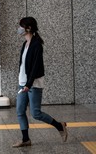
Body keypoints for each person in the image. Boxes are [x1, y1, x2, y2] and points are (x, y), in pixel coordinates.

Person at [12, 17, 68, 148]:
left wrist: (28, 84)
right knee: (20, 111)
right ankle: (25, 139)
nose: (19, 29)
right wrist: (23, 82)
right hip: (23, 82)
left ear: (28, 28)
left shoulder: (37, 44)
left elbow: (36, 67)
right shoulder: (25, 44)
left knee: (35, 113)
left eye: (21, 26)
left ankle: (60, 125)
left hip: (34, 83)